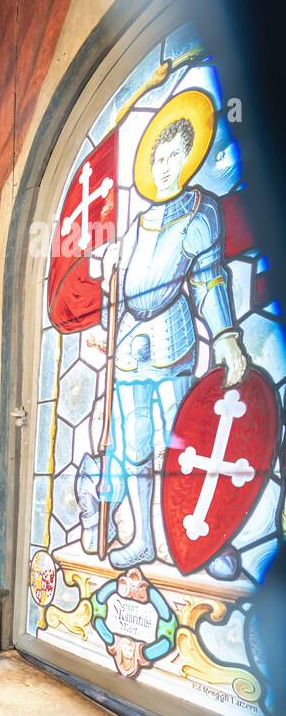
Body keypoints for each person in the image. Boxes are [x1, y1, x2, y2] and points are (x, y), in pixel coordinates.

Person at [80, 90, 247, 574]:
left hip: (173, 342)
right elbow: (124, 287)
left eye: (176, 154)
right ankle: (143, 539)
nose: (167, 165)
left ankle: (192, 539)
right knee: (133, 448)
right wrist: (104, 318)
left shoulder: (200, 213)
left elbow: (210, 278)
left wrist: (227, 337)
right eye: (159, 156)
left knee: (183, 443)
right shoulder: (137, 223)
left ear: (190, 157)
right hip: (131, 348)